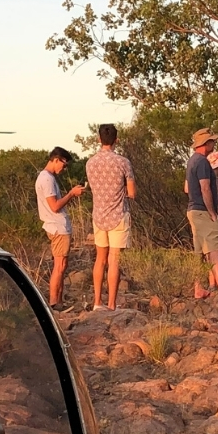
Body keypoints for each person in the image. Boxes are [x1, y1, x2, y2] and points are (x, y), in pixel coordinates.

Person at [85, 123, 135, 310]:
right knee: (114, 259)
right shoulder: (123, 163)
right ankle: (112, 304)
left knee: (100, 258)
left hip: (99, 214)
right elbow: (132, 193)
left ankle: (97, 302)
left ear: (99, 139)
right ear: (116, 140)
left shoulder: (90, 163)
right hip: (118, 214)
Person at [186, 128, 218, 298]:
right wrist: (213, 212)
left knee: (199, 250)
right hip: (202, 210)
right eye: (212, 141)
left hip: (194, 210)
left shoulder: (192, 160)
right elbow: (205, 187)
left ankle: (198, 287)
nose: (214, 144)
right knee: (214, 249)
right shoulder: (201, 162)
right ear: (205, 143)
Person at [35, 146, 84, 309]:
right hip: (57, 227)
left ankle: (59, 301)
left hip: (57, 226)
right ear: (56, 160)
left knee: (62, 264)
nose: (64, 169)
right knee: (59, 265)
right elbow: (55, 206)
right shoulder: (47, 179)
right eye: (64, 165)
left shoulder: (47, 178)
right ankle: (54, 302)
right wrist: (71, 194)